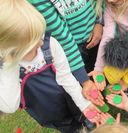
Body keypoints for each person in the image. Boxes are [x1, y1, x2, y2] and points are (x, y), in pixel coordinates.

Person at [0, 0, 102, 132]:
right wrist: (10, 63)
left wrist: (84, 105)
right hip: (46, 109)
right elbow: (10, 106)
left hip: (67, 94)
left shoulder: (50, 44)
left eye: (40, 35)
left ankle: (83, 120)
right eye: (32, 43)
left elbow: (65, 77)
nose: (41, 43)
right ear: (11, 50)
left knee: (76, 110)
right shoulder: (6, 67)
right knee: (66, 125)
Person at [28, 0, 105, 105]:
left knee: (101, 72)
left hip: (97, 32)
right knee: (83, 84)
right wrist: (84, 80)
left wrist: (99, 22)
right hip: (74, 50)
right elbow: (63, 38)